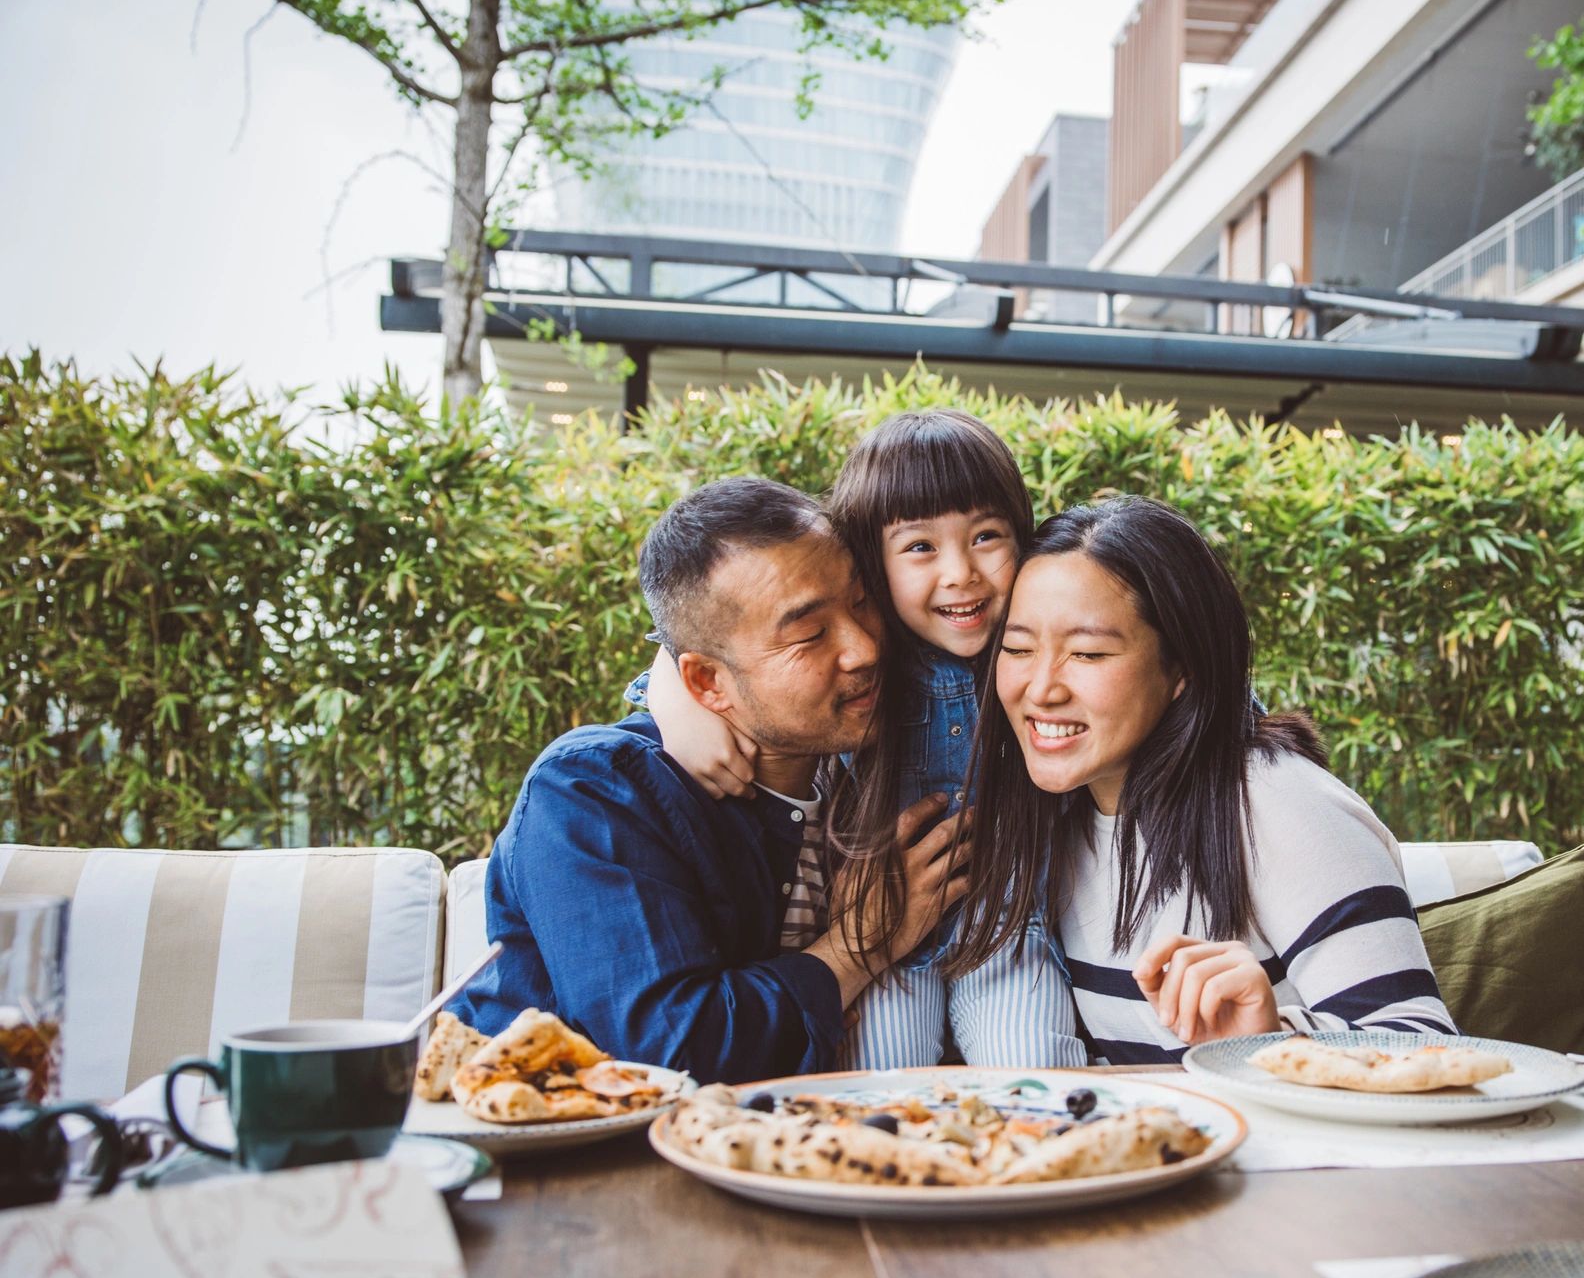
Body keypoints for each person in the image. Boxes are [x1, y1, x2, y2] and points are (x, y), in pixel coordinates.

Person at [449, 478, 967, 1082]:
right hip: (556, 1154)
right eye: (808, 635)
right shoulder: (594, 791)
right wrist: (855, 950)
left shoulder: (875, 768)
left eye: (860, 602)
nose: (864, 648)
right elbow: (669, 1054)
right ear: (705, 683)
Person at [637, 411, 1085, 1070]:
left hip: (1004, 926)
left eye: (986, 535)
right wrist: (671, 700)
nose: (961, 573)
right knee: (878, 1090)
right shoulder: (869, 663)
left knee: (1034, 1074)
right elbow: (701, 654)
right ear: (870, 565)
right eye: (920, 548)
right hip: (880, 928)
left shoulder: (1029, 647)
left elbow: (1138, 657)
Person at [951, 496, 1458, 1064]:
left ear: (1182, 667)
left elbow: (1426, 1048)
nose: (1041, 688)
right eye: (1018, 648)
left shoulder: (1274, 802)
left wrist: (1269, 1040)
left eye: (1088, 654)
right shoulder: (1054, 820)